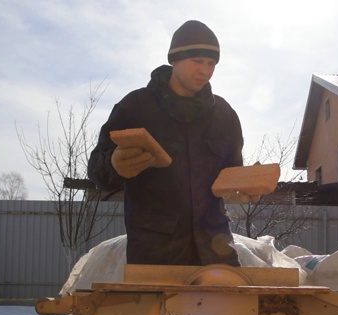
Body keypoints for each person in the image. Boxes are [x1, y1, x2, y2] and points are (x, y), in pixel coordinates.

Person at [88, 20, 244, 266]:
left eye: (211, 63)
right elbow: (97, 172)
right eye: (197, 61)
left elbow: (233, 175)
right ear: (175, 59)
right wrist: (114, 165)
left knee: (229, 306)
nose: (205, 70)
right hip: (155, 255)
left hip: (216, 253)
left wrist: (242, 187)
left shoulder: (224, 116)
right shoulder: (136, 108)